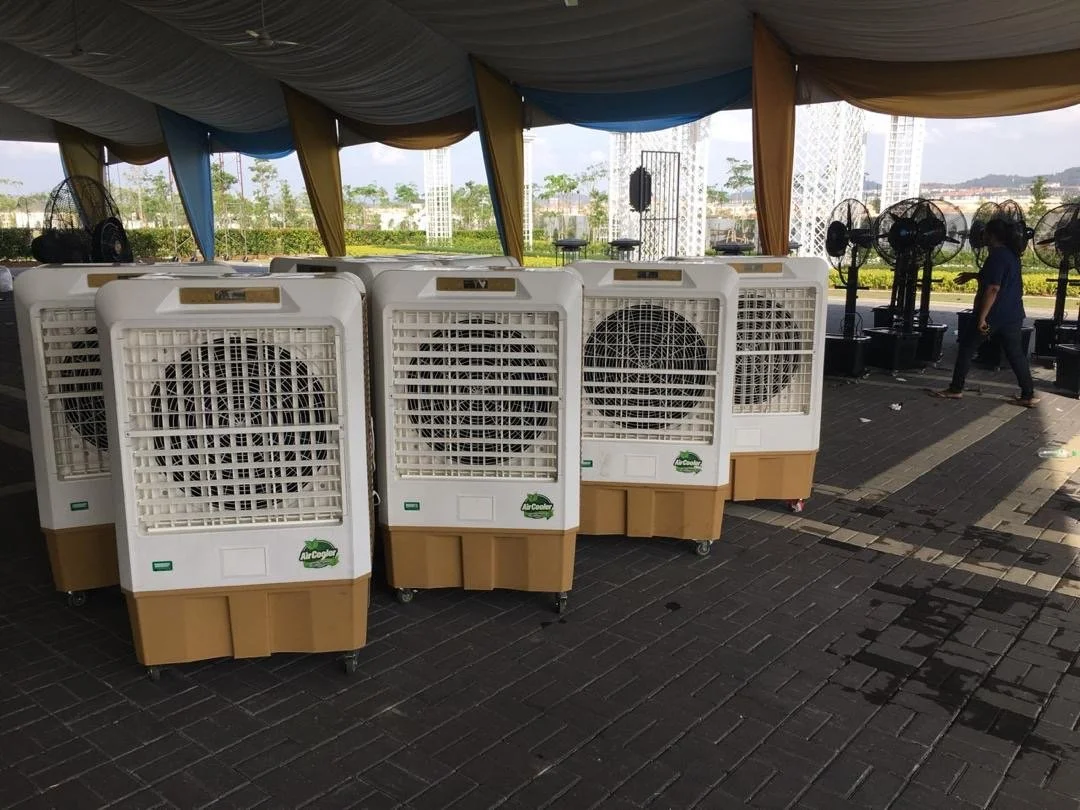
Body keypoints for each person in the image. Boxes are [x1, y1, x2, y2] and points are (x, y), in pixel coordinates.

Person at [930, 217, 1039, 407]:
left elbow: (993, 288)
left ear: (993, 235)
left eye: (985, 233)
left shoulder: (996, 256)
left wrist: (982, 317)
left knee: (967, 348)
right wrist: (974, 276)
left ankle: (956, 389)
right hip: (1013, 314)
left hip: (993, 315)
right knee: (1016, 354)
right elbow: (999, 278)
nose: (982, 236)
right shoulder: (1011, 254)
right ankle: (1028, 395)